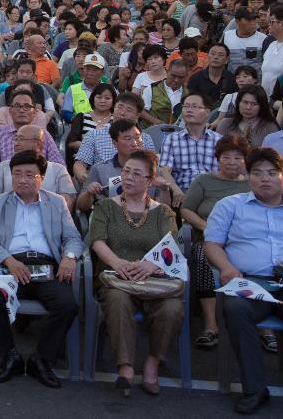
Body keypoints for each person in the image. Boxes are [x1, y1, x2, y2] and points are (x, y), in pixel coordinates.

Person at [204, 146, 283, 415]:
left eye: (272, 173)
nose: (265, 178)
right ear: (248, 177)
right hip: (248, 283)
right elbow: (212, 245)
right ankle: (255, 389)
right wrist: (226, 268)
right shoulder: (229, 206)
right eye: (258, 173)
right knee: (236, 310)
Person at [0, 150, 83, 389]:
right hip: (12, 265)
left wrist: (68, 257)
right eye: (17, 174)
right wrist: (9, 261)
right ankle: (9, 356)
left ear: (42, 177)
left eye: (29, 174)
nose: (22, 179)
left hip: (47, 267)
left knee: (67, 305)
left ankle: (42, 359)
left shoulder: (56, 202)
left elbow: (73, 238)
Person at [85, 148, 182, 396]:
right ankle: (125, 366)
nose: (128, 178)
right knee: (118, 301)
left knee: (172, 308)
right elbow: (97, 242)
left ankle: (152, 362)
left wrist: (151, 264)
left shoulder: (163, 212)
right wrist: (118, 263)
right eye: (126, 171)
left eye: (137, 174)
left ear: (150, 181)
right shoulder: (106, 207)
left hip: (153, 278)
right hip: (116, 278)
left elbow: (171, 246)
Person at [178, 135, 250, 351]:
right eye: (226, 157)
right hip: (208, 239)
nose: (231, 162)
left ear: (245, 160)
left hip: (242, 240)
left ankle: (264, 328)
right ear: (218, 158)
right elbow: (186, 209)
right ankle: (211, 324)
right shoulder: (204, 180)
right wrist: (205, 226)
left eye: (238, 158)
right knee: (201, 257)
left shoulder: (250, 183)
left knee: (259, 258)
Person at [0, 124, 76, 208]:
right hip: (10, 221)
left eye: (21, 139)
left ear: (38, 144)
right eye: (16, 139)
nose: (16, 143)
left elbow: (67, 201)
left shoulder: (59, 169)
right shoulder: (2, 167)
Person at [157, 91, 221, 199]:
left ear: (207, 112)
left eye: (195, 106)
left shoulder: (219, 140)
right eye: (186, 106)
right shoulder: (172, 139)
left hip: (213, 192)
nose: (189, 110)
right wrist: (176, 190)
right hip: (183, 191)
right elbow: (165, 170)